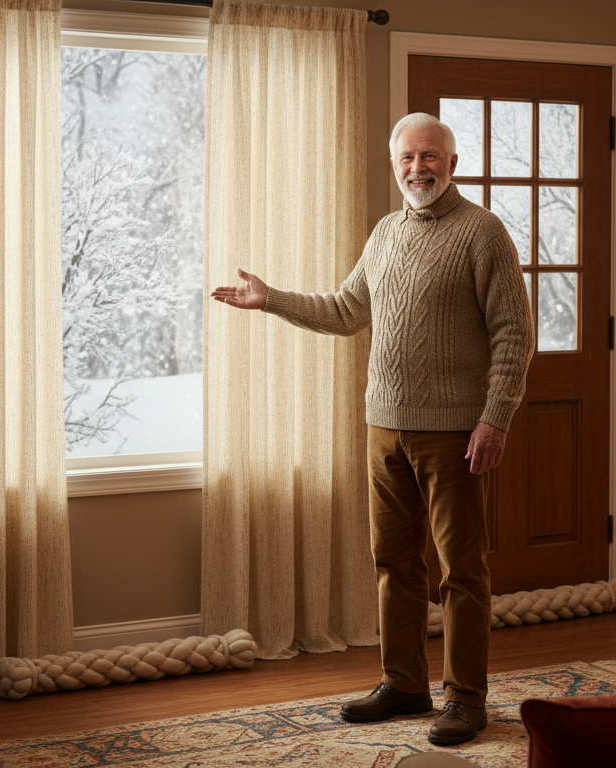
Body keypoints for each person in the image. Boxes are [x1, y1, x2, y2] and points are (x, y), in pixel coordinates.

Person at [210, 112, 534, 746]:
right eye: (408, 158)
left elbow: (514, 336)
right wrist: (270, 298)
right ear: (394, 166)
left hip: (453, 433)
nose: (419, 167)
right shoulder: (385, 233)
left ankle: (466, 697)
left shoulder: (484, 233)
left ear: (452, 162)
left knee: (461, 570)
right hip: (383, 427)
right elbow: (344, 310)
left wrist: (495, 418)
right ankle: (405, 682)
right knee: (393, 562)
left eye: (430, 156)